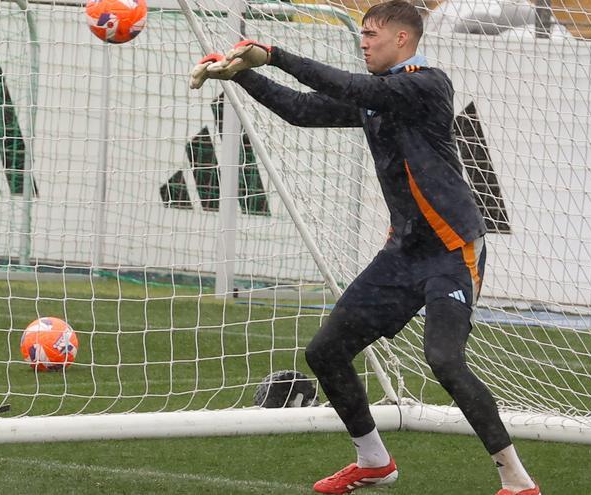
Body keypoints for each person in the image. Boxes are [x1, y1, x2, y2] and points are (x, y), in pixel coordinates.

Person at [189, 1, 540, 494]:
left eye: (372, 33)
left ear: (402, 39)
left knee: (444, 359)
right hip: (404, 253)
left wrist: (273, 53)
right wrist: (239, 74)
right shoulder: (379, 96)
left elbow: (351, 87)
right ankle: (373, 461)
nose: (364, 40)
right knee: (327, 352)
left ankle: (518, 480)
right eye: (362, 33)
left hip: (451, 250)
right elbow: (302, 110)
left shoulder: (426, 83)